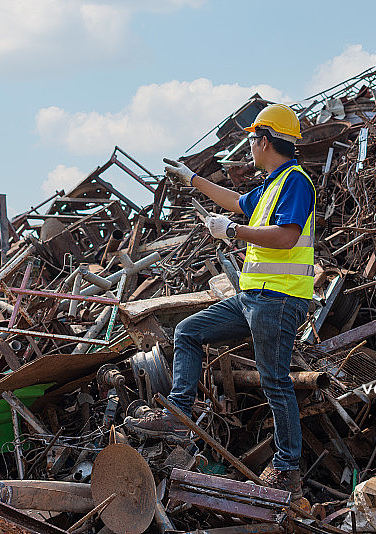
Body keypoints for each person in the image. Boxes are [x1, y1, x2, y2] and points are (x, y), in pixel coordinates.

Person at [124, 103, 315, 500]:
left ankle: (287, 470)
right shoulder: (274, 182)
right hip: (252, 298)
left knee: (274, 381)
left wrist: (234, 232)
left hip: (277, 301)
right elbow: (236, 201)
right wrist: (192, 178)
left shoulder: (296, 182)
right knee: (189, 331)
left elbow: (286, 237)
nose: (249, 149)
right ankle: (178, 417)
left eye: (251, 140)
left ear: (264, 140)